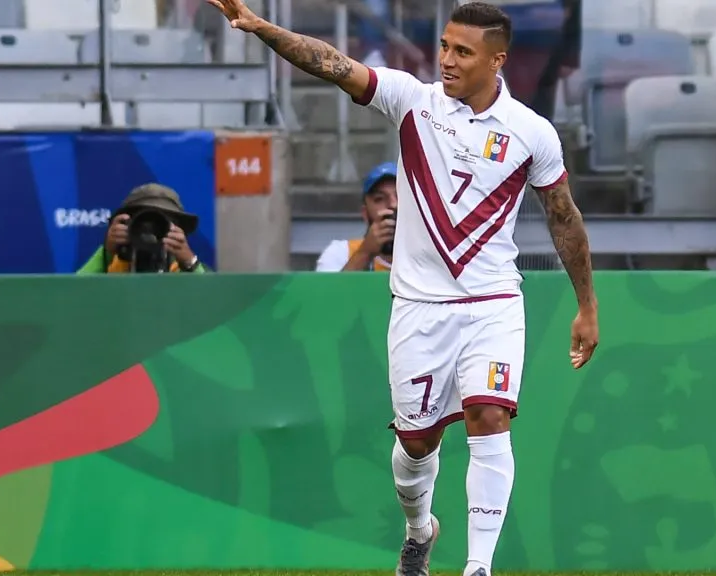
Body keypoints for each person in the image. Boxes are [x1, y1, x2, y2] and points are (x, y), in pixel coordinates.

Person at [204, 2, 599, 576]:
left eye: (462, 51)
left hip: (492, 304)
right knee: (416, 445)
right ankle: (420, 529)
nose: (446, 60)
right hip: (418, 308)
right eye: (443, 46)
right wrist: (261, 27)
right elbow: (334, 64)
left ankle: (478, 567)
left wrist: (587, 305)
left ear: (498, 60)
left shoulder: (532, 133)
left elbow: (564, 217)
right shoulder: (414, 102)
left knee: (491, 416)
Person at [76, 182, 207, 275]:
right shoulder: (112, 270)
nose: (150, 230)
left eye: (159, 223)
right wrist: (107, 254)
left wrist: (190, 262)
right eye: (142, 220)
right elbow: (74, 295)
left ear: (178, 230)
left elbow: (211, 303)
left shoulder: (184, 272)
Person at [315, 161, 398, 272]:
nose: (393, 204)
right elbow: (330, 289)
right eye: (380, 199)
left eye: (401, 194)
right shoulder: (342, 253)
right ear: (365, 213)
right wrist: (365, 253)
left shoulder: (429, 255)